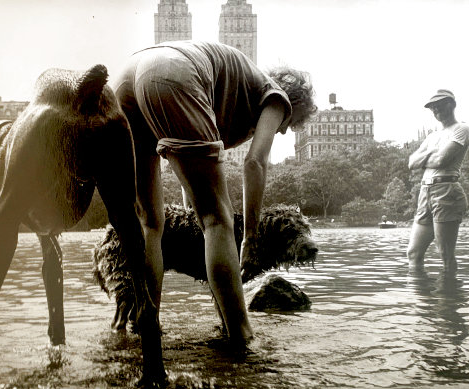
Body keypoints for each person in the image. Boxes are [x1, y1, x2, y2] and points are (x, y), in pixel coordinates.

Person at [112, 40, 316, 345]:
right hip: (174, 73)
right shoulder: (277, 96)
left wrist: (195, 212)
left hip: (128, 78)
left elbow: (188, 169)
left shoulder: (234, 93)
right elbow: (255, 163)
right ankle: (242, 336)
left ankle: (147, 327)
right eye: (292, 122)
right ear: (293, 101)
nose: (285, 130)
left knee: (151, 224)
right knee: (218, 220)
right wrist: (251, 236)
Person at [407, 89, 469, 276]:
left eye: (440, 106)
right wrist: (432, 152)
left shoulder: (461, 129)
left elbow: (441, 160)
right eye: (433, 108)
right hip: (425, 192)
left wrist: (426, 156)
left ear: (451, 105)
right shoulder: (432, 137)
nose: (436, 110)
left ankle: (448, 302)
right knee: (413, 253)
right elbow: (411, 163)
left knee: (445, 254)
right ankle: (423, 304)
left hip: (446, 191)